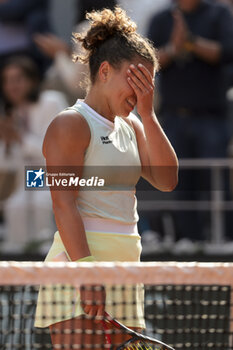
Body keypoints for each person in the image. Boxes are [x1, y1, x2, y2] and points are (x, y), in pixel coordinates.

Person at [34, 7, 178, 350]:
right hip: (79, 268)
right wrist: (86, 273)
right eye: (135, 80)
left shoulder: (135, 125)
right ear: (104, 71)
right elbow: (63, 204)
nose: (141, 91)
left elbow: (168, 180)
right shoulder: (69, 124)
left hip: (127, 268)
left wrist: (147, 112)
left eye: (148, 83)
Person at [147, 0, 233, 241]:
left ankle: (223, 241)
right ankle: (189, 242)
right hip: (174, 117)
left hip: (211, 116)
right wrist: (174, 48)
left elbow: (227, 52)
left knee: (217, 184)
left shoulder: (219, 14)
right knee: (180, 185)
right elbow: (147, 61)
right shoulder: (161, 18)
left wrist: (191, 42)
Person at [0, 56, 68, 253]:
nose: (12, 86)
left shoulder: (51, 101)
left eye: (17, 79)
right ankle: (18, 275)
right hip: (31, 178)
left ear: (32, 80)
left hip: (57, 176)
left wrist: (19, 137)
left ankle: (51, 264)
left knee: (41, 203)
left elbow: (56, 151)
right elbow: (7, 165)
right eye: (7, 81)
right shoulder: (9, 113)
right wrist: (6, 140)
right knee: (16, 206)